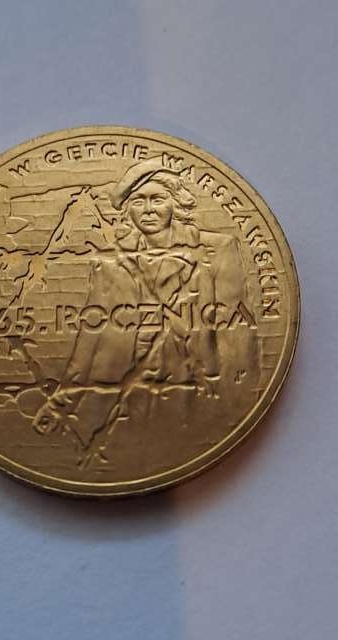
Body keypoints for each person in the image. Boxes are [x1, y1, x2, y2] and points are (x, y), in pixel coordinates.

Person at [33, 157, 256, 463]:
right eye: (138, 201)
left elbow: (236, 331)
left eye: (157, 199)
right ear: (128, 209)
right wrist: (61, 402)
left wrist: (237, 400)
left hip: (195, 384)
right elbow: (91, 336)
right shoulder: (110, 263)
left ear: (175, 203)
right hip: (132, 386)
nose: (148, 209)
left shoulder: (217, 249)